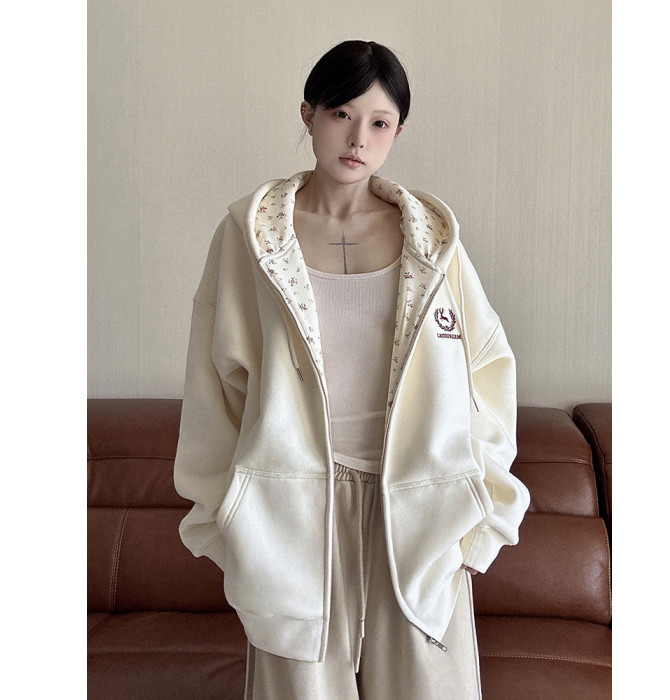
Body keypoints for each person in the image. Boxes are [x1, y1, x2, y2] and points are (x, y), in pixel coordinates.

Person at [173, 39, 530, 699]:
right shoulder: (251, 236)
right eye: (341, 113)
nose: (359, 138)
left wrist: (481, 516)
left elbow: (488, 373)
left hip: (418, 505)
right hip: (291, 509)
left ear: (397, 132)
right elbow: (212, 384)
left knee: (431, 685)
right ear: (308, 114)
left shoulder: (433, 241)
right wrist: (229, 515)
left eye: (380, 122)